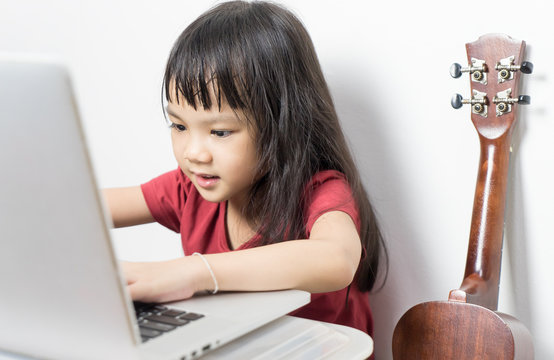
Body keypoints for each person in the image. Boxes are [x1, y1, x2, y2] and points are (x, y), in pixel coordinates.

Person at [104, 0, 386, 336]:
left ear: (282, 125)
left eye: (219, 132)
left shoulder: (320, 191)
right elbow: (82, 209)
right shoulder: (188, 188)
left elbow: (335, 259)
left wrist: (193, 272)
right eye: (179, 126)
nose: (193, 153)